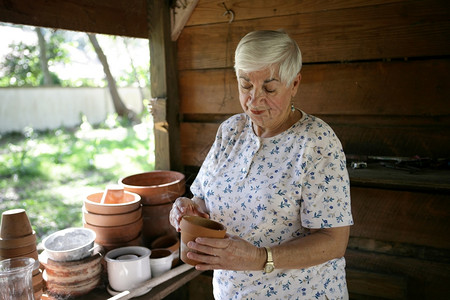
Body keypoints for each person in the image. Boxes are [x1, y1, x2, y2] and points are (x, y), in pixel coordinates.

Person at [170, 30, 353, 299]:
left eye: (269, 88)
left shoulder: (316, 142)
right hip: (232, 292)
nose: (254, 100)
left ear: (294, 84)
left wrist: (259, 258)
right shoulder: (231, 131)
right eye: (245, 85)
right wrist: (189, 208)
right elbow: (204, 198)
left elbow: (334, 242)